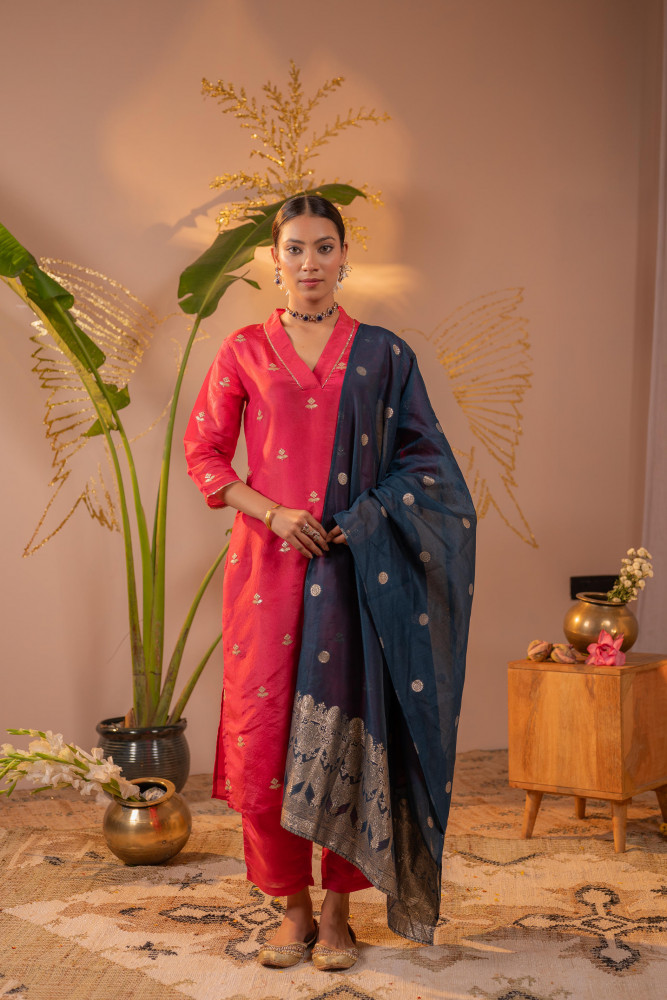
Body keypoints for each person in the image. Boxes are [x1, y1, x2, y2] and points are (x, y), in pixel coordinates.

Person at [184, 193, 476, 970]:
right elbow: (203, 454)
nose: (309, 262)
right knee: (266, 732)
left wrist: (369, 515)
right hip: (267, 573)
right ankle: (291, 908)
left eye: (323, 247)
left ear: (344, 257)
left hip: (355, 571)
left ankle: (340, 911)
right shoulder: (243, 350)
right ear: (273, 261)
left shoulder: (383, 354)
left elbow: (427, 463)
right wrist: (274, 514)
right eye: (295, 248)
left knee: (353, 726)